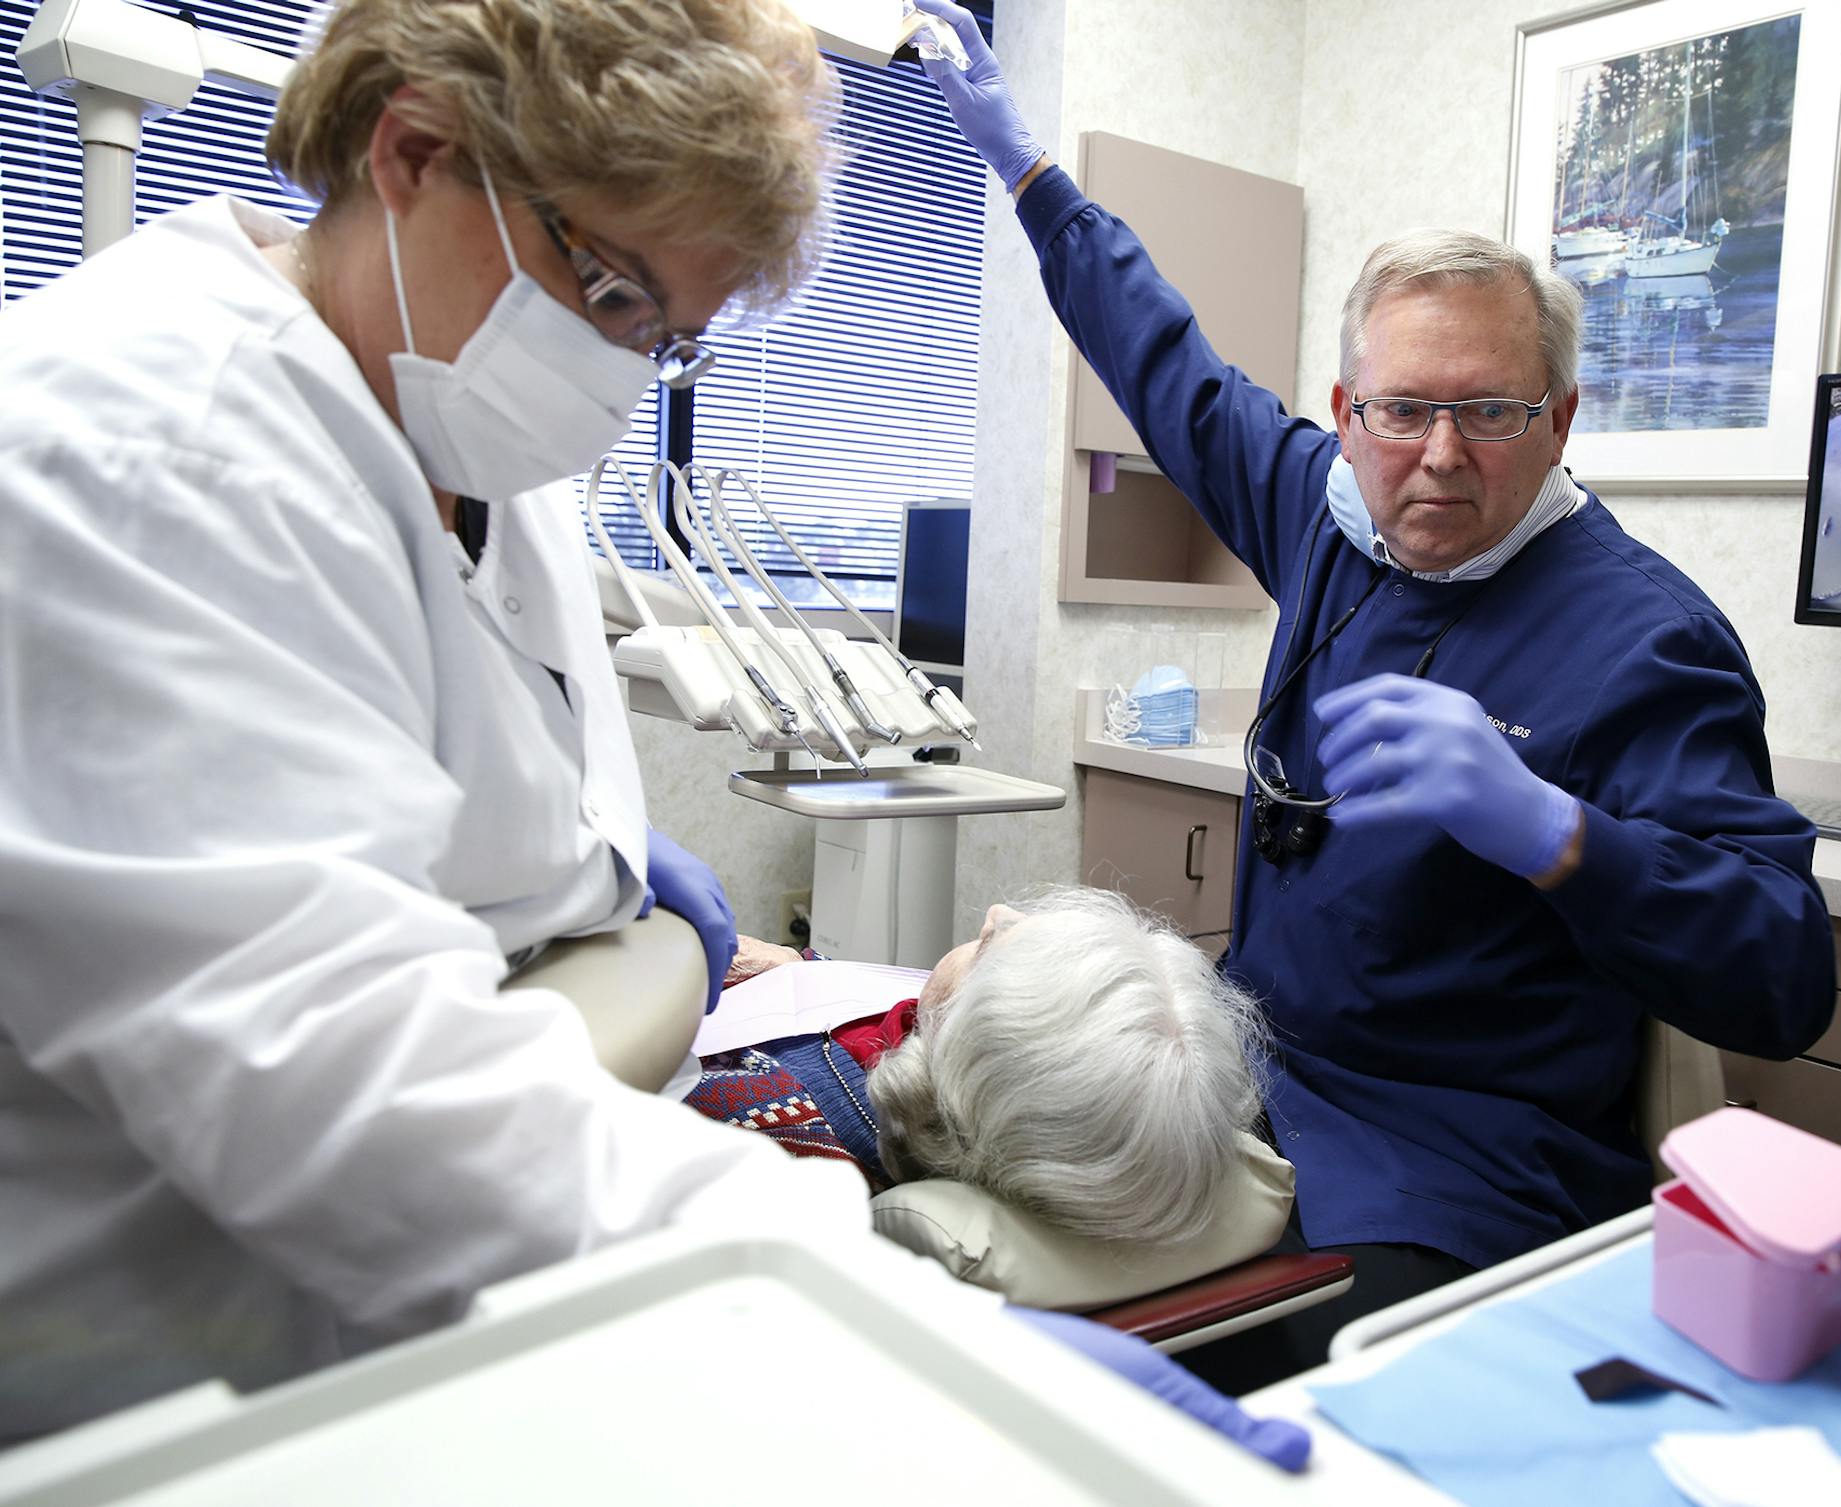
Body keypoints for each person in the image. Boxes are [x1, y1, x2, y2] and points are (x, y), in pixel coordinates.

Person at [0, 2, 1308, 1466]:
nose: (627, 377)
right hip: (164, 1379)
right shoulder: (141, 461)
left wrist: (622, 880)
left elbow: (493, 791)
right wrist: (890, 1311)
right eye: (618, 296)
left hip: (445, 1314)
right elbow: (360, 1099)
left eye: (673, 337)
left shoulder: (467, 436)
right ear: (416, 147)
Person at [911, 0, 1837, 1379]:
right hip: (1253, 1086)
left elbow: (1783, 973)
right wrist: (1029, 175)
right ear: (1348, 410)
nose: (1441, 458)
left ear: (1561, 418)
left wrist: (1560, 834)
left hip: (1460, 1158)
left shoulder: (1651, 644)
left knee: (1166, 1384)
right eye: (1403, 409)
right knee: (938, 1239)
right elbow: (1164, 360)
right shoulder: (1326, 513)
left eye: (1492, 411)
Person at [694, 889, 1267, 1245]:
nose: (997, 914)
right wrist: (801, 968)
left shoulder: (770, 1124)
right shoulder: (949, 1042)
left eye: (991, 951)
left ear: (968, 1059)